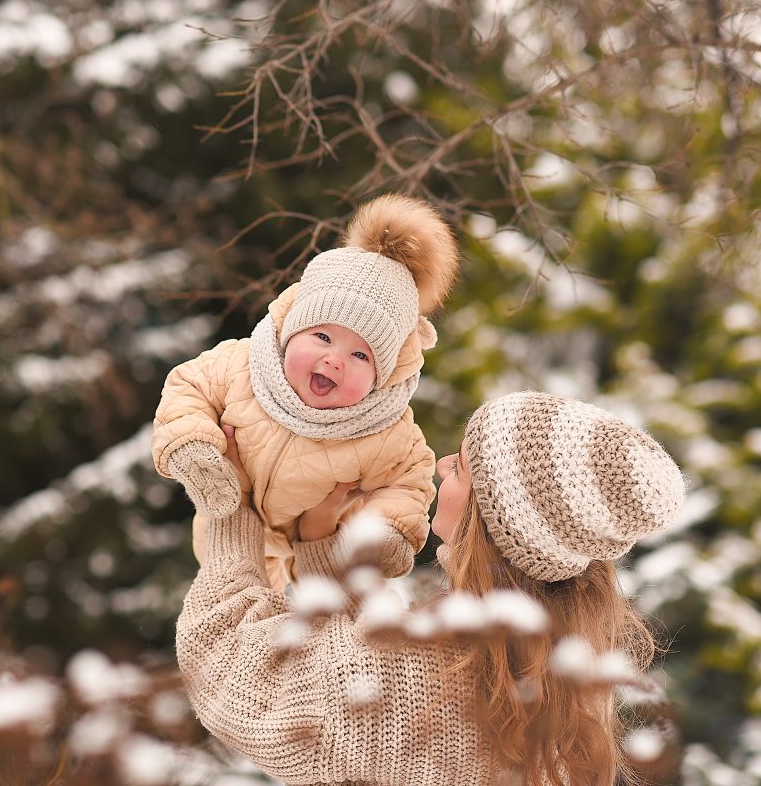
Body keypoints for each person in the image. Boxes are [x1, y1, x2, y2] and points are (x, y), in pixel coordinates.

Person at [175, 391, 685, 786]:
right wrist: (324, 548)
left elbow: (221, 664)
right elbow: (360, 696)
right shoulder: (551, 686)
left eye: (460, 466)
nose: (442, 465)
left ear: (491, 522)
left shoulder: (425, 677)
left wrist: (229, 507)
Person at [151, 194, 460, 590]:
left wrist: (384, 533)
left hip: (317, 559)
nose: (335, 360)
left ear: (382, 376)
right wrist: (194, 447)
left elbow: (408, 482)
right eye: (323, 336)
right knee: (235, 616)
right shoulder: (241, 365)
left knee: (297, 632)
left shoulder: (385, 431)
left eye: (360, 355)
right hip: (222, 529)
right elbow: (187, 387)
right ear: (292, 329)